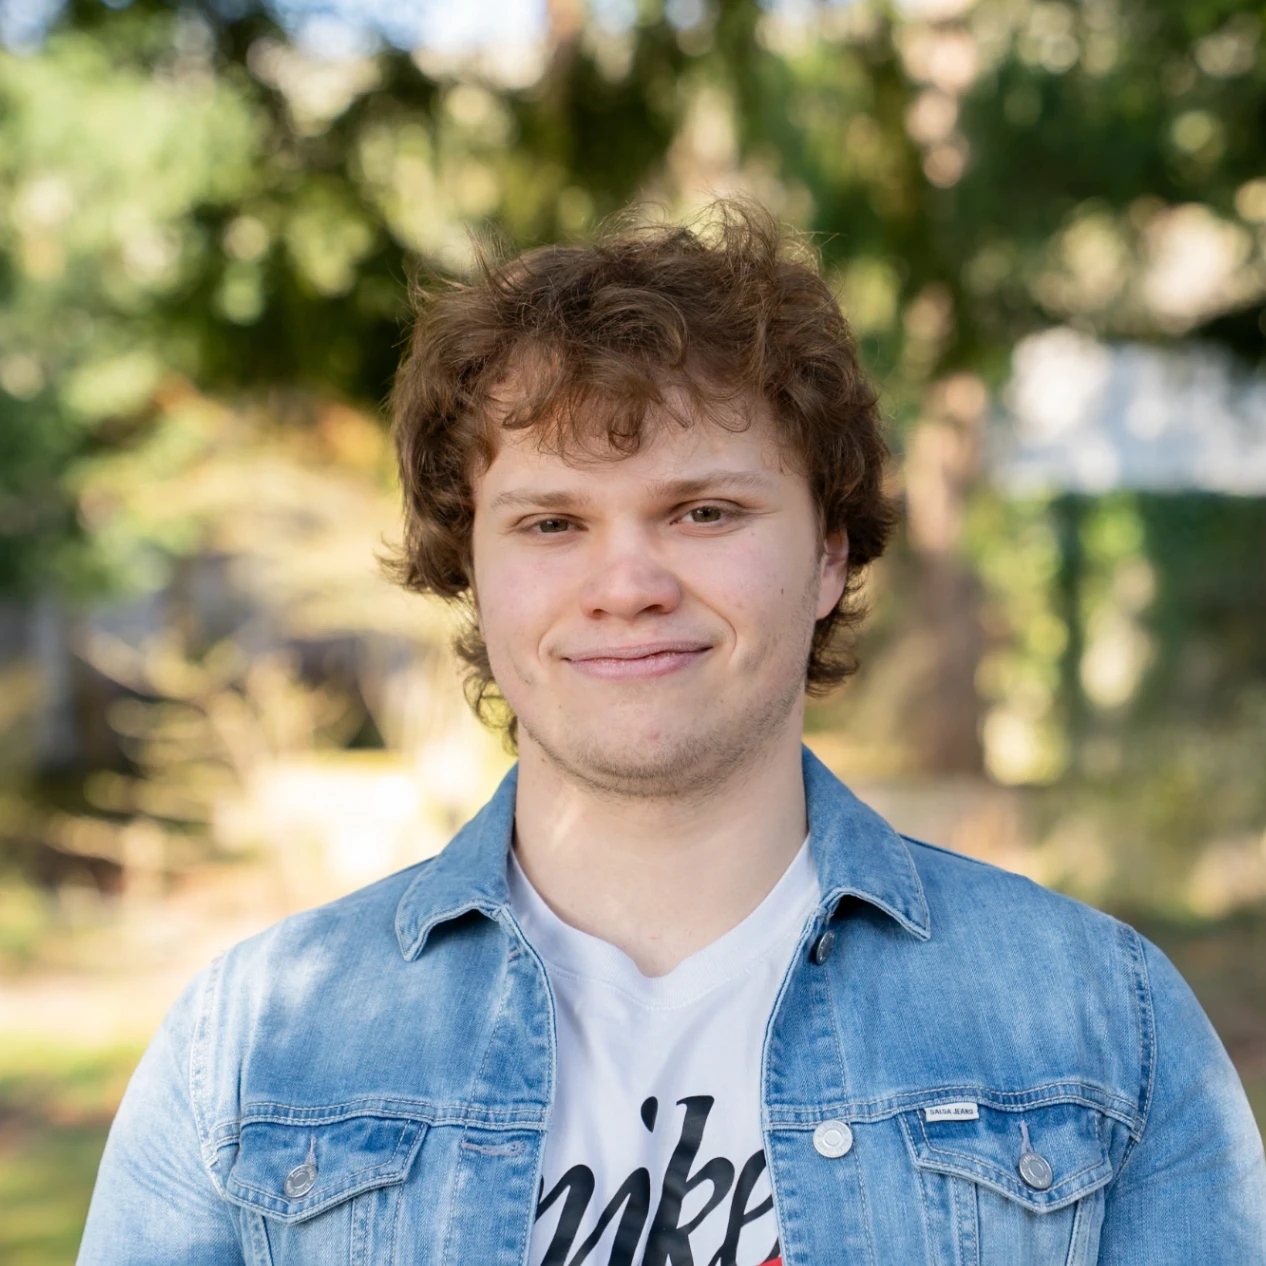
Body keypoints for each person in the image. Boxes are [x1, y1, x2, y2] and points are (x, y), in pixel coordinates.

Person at [78, 203, 1265, 1266]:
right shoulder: (250, 1058)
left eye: (704, 511)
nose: (628, 585)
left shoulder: (1101, 1026)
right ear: (471, 573)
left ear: (829, 555)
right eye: (551, 523)